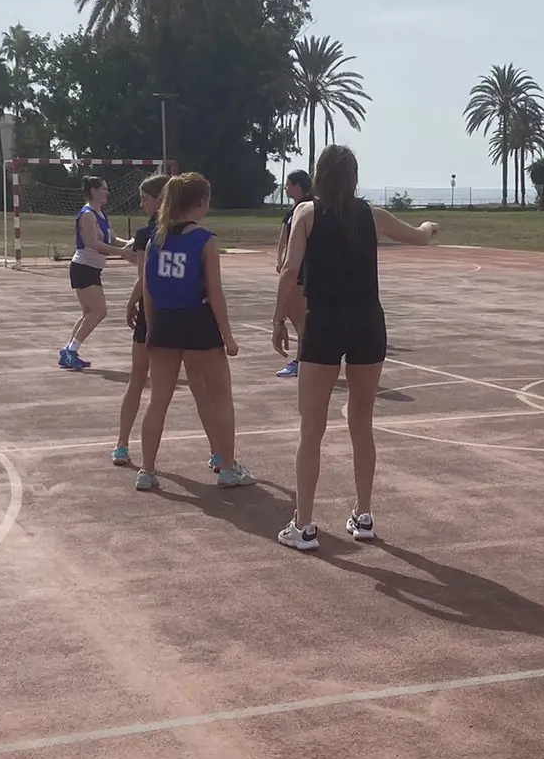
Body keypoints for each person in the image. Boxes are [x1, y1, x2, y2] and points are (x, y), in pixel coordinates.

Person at [272, 144, 438, 550]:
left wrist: (278, 319)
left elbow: (290, 270)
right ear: (354, 177)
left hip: (324, 322)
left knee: (311, 427)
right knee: (361, 423)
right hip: (367, 323)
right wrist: (429, 227)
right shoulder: (372, 215)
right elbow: (417, 238)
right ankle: (363, 514)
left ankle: (304, 524)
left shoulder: (306, 214)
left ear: (319, 176)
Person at [135, 172, 254, 491]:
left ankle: (147, 470)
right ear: (201, 202)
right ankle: (227, 467)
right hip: (198, 323)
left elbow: (148, 290)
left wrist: (150, 326)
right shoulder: (205, 240)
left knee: (158, 399)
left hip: (165, 323)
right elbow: (215, 292)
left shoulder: (154, 240)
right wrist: (227, 335)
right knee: (220, 397)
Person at [112, 171, 171, 468]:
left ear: (160, 199)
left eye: (146, 199)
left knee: (140, 380)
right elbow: (145, 277)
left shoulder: (149, 234)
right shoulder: (184, 230)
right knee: (190, 386)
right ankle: (219, 452)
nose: (142, 204)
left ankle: (123, 444)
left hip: (156, 315)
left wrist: (133, 301)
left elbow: (144, 277)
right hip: (178, 313)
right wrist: (133, 298)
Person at [59, 176, 131, 370]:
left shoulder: (101, 214)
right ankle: (71, 351)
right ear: (93, 191)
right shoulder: (88, 214)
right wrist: (122, 253)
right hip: (83, 267)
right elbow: (92, 243)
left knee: (88, 314)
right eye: (103, 189)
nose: (107, 192)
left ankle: (68, 351)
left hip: (91, 268)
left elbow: (112, 239)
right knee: (99, 312)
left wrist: (131, 243)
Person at [275, 169, 313, 379]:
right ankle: (306, 353)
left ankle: (302, 359)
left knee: (299, 315)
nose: (286, 188)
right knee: (291, 310)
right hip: (294, 266)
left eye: (288, 184)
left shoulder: (309, 208)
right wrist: (279, 258)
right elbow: (284, 237)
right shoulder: (293, 211)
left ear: (297, 186)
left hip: (303, 268)